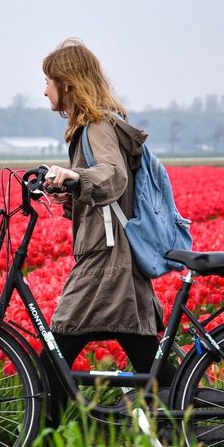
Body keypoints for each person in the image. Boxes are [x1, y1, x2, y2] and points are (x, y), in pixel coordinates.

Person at [39, 38, 174, 427]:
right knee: (151, 361)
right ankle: (192, 436)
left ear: (68, 83)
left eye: (48, 80)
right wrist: (70, 192)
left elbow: (111, 175)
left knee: (55, 353)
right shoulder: (96, 125)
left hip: (106, 261)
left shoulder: (96, 125)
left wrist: (73, 176)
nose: (44, 90)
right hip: (114, 258)